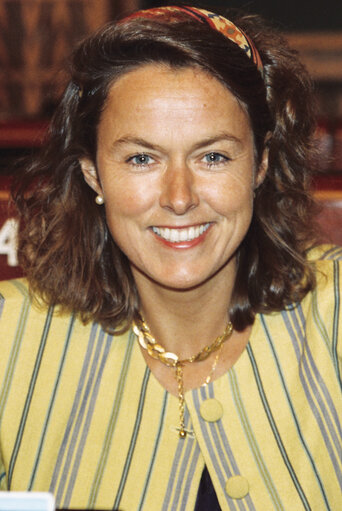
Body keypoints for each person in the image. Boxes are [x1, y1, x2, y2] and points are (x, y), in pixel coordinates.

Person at [0, 5, 341, 510]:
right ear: (93, 173)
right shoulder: (10, 334)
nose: (179, 197)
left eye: (213, 157)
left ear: (260, 165)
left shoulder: (334, 317)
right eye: (141, 158)